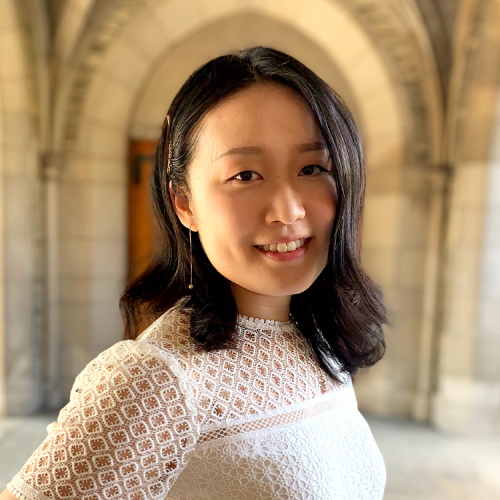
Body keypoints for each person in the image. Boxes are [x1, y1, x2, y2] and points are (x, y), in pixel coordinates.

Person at [2, 46, 388, 500]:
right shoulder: (155, 380)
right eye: (245, 175)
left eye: (312, 168)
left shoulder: (318, 341)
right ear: (184, 203)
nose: (288, 210)